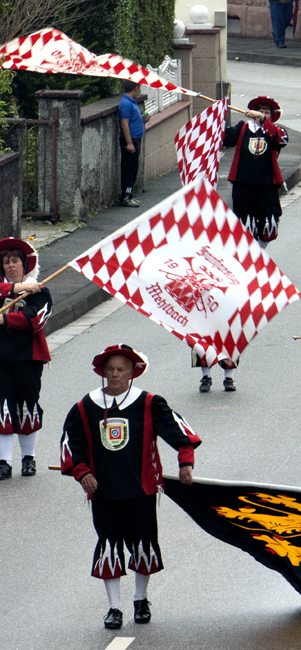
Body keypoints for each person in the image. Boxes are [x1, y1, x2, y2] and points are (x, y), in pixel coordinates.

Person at [60, 344, 202, 628]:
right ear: (102, 371)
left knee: (143, 546)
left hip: (142, 490)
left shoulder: (149, 403)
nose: (114, 375)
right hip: (103, 492)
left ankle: (140, 599)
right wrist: (81, 471)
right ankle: (114, 608)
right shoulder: (85, 406)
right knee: (109, 548)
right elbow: (69, 444)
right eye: (110, 369)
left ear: (132, 373)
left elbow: (182, 433)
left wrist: (185, 462)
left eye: (120, 370)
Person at [0, 238, 52, 480]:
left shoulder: (40, 291)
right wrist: (12, 291)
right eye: (6, 262)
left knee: (27, 405)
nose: (11, 266)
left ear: (24, 264)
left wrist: (5, 320)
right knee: (2, 407)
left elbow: (36, 318)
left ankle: (28, 458)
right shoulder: (3, 291)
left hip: (28, 358)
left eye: (15, 261)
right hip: (1, 358)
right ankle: (4, 461)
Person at [224, 96, 288, 248]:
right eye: (260, 111)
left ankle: (260, 253)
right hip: (243, 183)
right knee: (244, 222)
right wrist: (217, 119)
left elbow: (281, 141)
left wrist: (263, 122)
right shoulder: (243, 127)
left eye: (266, 112)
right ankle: (249, 256)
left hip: (267, 184)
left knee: (269, 221)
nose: (262, 114)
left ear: (271, 116)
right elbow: (226, 139)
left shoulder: (276, 131)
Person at [118, 80, 150, 208]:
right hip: (131, 140)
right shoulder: (126, 104)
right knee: (129, 170)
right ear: (136, 88)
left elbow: (132, 122)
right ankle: (126, 197)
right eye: (140, 87)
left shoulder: (131, 102)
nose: (140, 90)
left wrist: (143, 120)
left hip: (135, 138)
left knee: (133, 168)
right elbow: (124, 124)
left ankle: (129, 195)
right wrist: (129, 143)